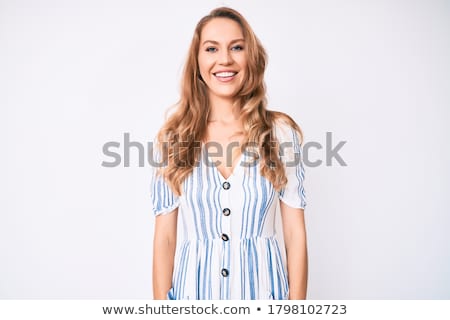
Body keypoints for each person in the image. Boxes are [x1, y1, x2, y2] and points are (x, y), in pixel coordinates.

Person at [151, 7, 308, 300]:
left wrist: (296, 310)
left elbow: (295, 235)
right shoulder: (173, 139)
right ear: (197, 62)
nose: (225, 59)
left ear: (252, 58)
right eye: (211, 48)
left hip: (265, 299)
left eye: (237, 47)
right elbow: (165, 238)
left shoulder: (281, 133)